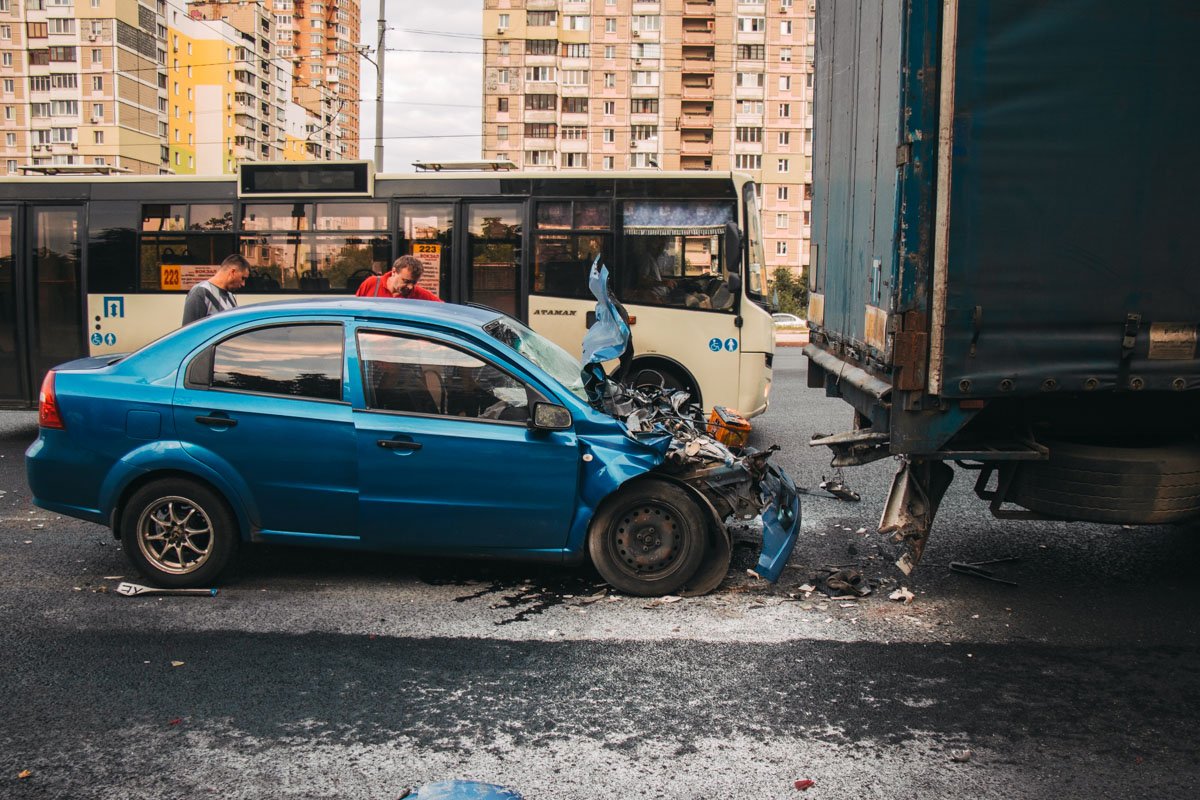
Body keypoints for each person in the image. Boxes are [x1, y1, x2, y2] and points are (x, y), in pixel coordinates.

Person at [181, 254, 250, 325]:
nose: (243, 284)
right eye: (243, 278)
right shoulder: (200, 293)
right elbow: (189, 329)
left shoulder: (230, 296)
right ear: (232, 272)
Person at [355, 255, 443, 302]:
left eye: (414, 283)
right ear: (394, 272)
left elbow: (443, 309)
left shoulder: (419, 294)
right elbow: (356, 308)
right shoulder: (371, 283)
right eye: (406, 281)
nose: (410, 287)